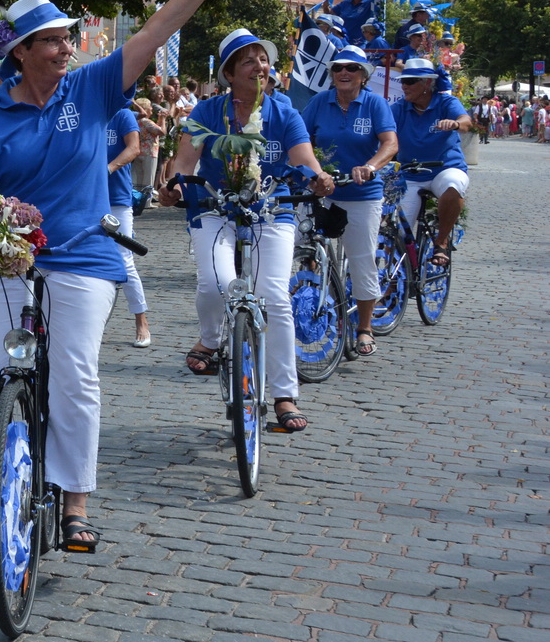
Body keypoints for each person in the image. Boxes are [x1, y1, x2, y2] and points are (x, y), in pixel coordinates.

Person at [0, 0, 233, 560]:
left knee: (73, 375)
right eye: (53, 40)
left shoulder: (90, 89)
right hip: (6, 258)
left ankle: (74, 504)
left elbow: (154, 31)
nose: (66, 48)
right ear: (22, 52)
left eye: (67, 38)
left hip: (86, 255)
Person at [158, 29, 335, 435]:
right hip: (214, 207)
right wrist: (171, 188)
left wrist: (320, 180)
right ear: (230, 74)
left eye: (263, 59)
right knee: (215, 282)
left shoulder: (284, 113)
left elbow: (305, 160)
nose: (260, 66)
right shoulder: (206, 112)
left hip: (272, 209)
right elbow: (184, 162)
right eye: (248, 60)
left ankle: (284, 393)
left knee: (273, 294)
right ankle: (209, 340)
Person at [300, 45, 398, 358]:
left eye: (352, 68)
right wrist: (312, 173)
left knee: (361, 261)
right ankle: (319, 295)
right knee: (303, 246)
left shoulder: (374, 104)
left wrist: (370, 167)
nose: (344, 72)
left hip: (361, 195)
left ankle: (365, 328)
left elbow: (390, 143)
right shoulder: (318, 102)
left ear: (363, 75)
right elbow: (300, 140)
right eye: (338, 68)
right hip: (322, 193)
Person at [392, 57, 470, 267]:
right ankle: (394, 284)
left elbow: (466, 122)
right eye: (403, 81)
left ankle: (441, 241)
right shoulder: (399, 108)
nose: (405, 86)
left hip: (444, 169)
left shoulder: (446, 103)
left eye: (411, 82)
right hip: (410, 175)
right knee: (397, 232)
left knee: (453, 186)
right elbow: (383, 134)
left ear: (427, 84)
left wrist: (455, 123)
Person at [106, 103, 150, 348]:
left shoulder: (121, 114)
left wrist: (109, 168)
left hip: (117, 198)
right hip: (88, 198)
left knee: (124, 261)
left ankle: (141, 320)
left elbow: (134, 149)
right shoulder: (88, 113)